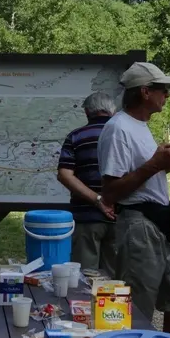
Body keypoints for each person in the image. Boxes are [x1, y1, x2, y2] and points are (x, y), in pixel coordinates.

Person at [97, 62, 170, 337]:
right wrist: (155, 164)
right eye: (164, 89)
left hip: (161, 224)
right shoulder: (118, 128)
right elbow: (110, 192)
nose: (168, 95)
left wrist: (167, 164)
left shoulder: (140, 126)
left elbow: (144, 172)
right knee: (139, 310)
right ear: (146, 92)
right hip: (138, 226)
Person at [56, 91, 117, 275]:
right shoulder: (124, 135)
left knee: (84, 279)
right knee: (115, 282)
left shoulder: (75, 137)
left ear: (87, 112)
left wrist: (98, 200)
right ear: (113, 111)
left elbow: (65, 175)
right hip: (120, 217)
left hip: (85, 218)